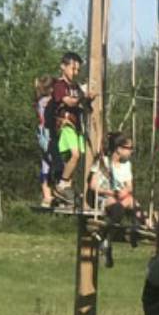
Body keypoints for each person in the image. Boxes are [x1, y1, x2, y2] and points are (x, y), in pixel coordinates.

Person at [47, 52, 88, 205]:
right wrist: (82, 98)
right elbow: (69, 102)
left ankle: (65, 192)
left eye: (78, 70)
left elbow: (82, 102)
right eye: (73, 68)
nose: (75, 73)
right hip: (66, 125)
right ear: (63, 66)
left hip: (77, 127)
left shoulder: (76, 87)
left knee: (73, 160)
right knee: (75, 155)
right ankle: (62, 184)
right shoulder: (59, 85)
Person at [34, 75, 54, 208]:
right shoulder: (47, 101)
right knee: (54, 163)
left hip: (41, 134)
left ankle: (47, 195)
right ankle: (48, 195)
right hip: (47, 135)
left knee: (46, 164)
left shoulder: (40, 100)